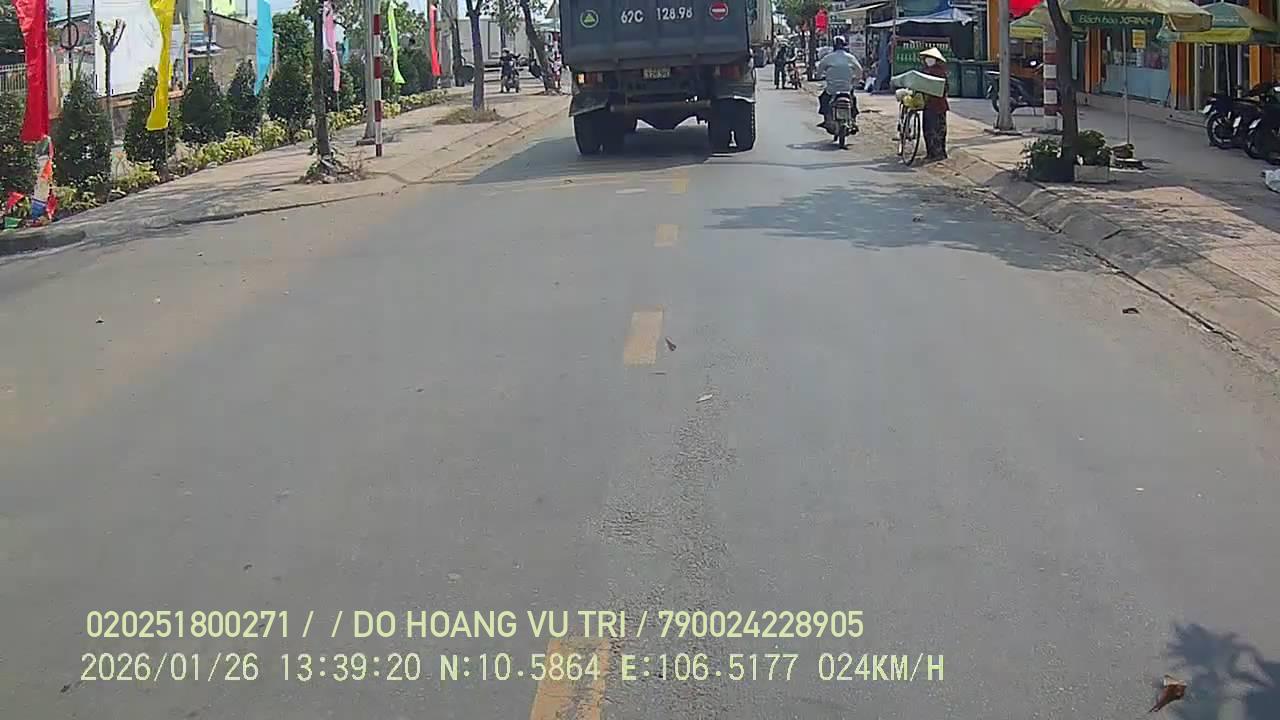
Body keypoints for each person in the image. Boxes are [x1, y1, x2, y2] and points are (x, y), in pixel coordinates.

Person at [816, 35, 862, 127]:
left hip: (832, 89)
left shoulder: (828, 58)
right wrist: (856, 80)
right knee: (853, 100)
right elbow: (859, 70)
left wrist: (818, 77)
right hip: (847, 89)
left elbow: (819, 70)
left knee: (823, 98)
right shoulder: (850, 58)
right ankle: (853, 120)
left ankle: (826, 119)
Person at [919, 47, 949, 160]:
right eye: (927, 58)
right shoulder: (926, 70)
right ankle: (932, 153)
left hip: (938, 104)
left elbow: (944, 88)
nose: (928, 60)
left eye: (930, 58)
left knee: (937, 130)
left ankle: (938, 153)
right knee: (929, 130)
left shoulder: (940, 72)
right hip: (929, 104)